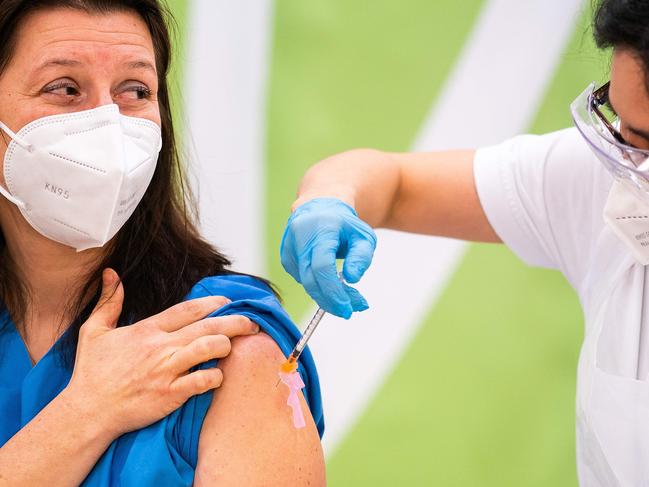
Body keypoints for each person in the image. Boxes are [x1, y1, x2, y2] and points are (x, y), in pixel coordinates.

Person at [279, 0, 649, 485]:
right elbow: (391, 184)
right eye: (619, 123)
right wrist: (328, 201)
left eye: (643, 139)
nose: (623, 157)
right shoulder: (598, 181)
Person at [0, 1, 325, 485]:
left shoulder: (223, 346)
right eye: (65, 88)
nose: (108, 125)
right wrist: (85, 412)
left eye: (135, 90)